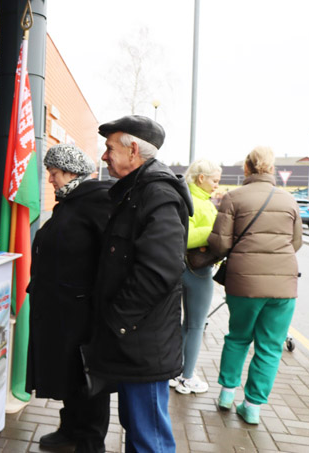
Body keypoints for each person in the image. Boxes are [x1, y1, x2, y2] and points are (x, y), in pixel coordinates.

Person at [89, 115, 192, 452]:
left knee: (149, 438)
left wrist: (118, 318)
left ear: (133, 150)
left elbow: (159, 270)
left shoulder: (156, 193)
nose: (104, 156)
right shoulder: (137, 190)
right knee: (137, 429)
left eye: (109, 148)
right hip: (134, 339)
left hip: (142, 343)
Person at [26, 144, 114, 453]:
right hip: (61, 310)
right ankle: (70, 429)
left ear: (71, 172)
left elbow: (110, 259)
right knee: (68, 374)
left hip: (82, 311)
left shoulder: (97, 200)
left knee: (87, 380)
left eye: (54, 173)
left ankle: (91, 442)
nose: (50, 179)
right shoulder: (71, 201)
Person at [208, 146, 302, 425]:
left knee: (238, 337)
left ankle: (226, 394)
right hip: (284, 286)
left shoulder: (233, 198)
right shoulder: (289, 200)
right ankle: (252, 407)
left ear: (246, 169)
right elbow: (296, 243)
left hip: (243, 282)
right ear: (272, 170)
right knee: (271, 347)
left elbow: (221, 243)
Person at [172, 158, 222, 395]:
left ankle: (176, 372)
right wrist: (215, 234)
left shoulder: (185, 197)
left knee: (186, 324)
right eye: (214, 180)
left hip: (181, 268)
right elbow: (184, 236)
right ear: (201, 178)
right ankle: (187, 377)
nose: (216, 186)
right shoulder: (197, 202)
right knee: (195, 325)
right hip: (198, 271)